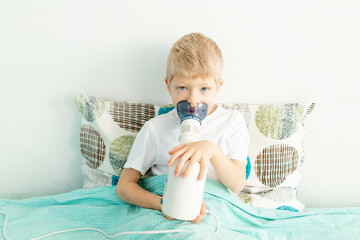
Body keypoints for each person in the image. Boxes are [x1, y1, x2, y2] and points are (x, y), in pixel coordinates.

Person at [116, 32, 249, 223]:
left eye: (204, 89)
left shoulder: (231, 122)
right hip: (166, 212)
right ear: (168, 86)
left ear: (218, 87)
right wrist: (163, 204)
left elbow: (237, 184)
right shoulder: (155, 129)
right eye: (182, 88)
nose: (193, 100)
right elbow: (124, 187)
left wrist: (211, 150)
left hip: (216, 214)